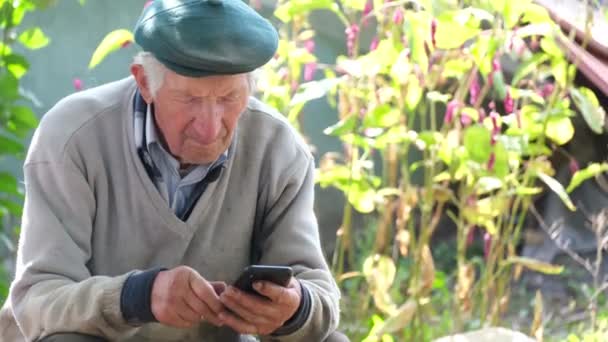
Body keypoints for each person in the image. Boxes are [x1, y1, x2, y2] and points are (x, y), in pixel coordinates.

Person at [0, 0, 343, 341]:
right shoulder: (71, 137)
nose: (210, 128)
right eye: (189, 99)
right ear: (144, 83)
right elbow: (37, 299)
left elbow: (320, 299)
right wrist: (139, 296)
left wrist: (294, 308)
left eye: (228, 98)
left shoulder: (278, 148)